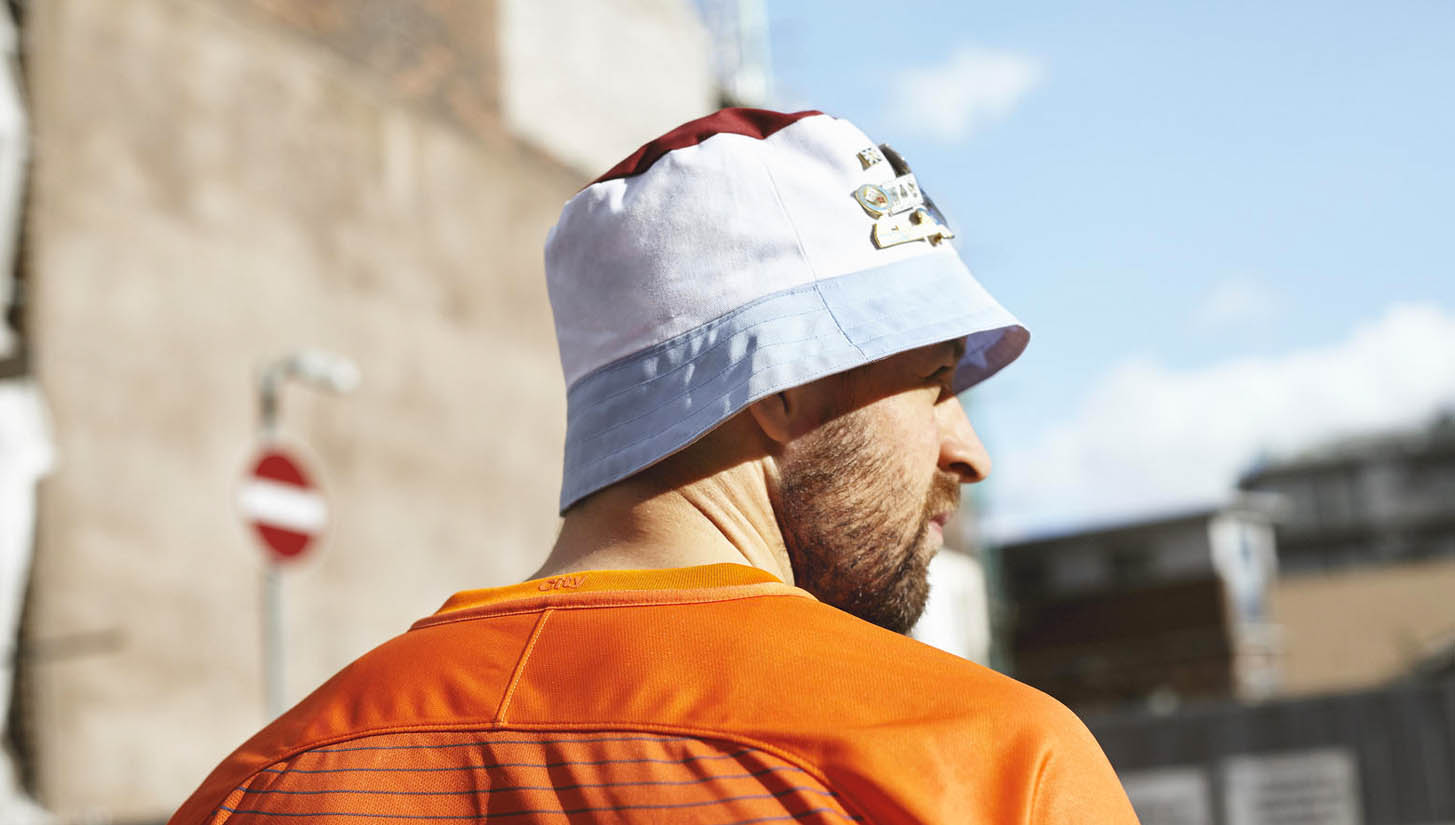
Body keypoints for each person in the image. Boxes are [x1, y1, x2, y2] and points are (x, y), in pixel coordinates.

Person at [169, 108, 1139, 824]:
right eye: (933, 380)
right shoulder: (985, 768)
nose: (968, 452)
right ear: (784, 384)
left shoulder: (263, 787)